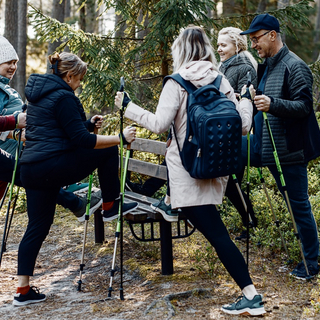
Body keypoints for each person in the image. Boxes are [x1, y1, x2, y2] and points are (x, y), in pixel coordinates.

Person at [115, 25, 266, 316]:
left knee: (218, 235)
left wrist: (128, 106)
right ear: (207, 49)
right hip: (215, 168)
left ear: (181, 51)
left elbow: (159, 125)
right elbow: (244, 125)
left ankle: (251, 295)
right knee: (214, 229)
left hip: (187, 172)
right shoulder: (220, 80)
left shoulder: (176, 83)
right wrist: (246, 100)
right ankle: (171, 205)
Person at [12, 52, 138, 306]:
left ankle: (22, 291)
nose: (80, 83)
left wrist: (88, 124)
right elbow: (81, 141)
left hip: (32, 170)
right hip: (51, 166)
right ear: (69, 76)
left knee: (37, 226)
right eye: (79, 79)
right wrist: (120, 138)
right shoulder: (64, 97)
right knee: (109, 149)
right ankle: (111, 205)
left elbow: (63, 130)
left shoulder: (39, 95)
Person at [237, 13, 320, 280]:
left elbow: (305, 107)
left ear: (273, 35)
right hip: (263, 146)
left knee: (298, 207)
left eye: (256, 39)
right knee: (226, 152)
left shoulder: (295, 66)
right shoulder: (269, 65)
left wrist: (273, 104)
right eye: (251, 40)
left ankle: (311, 263)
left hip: (289, 152)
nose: (253, 45)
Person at [0, 35, 100, 222]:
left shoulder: (8, 89)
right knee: (33, 177)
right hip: (12, 151)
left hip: (23, 150)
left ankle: (72, 193)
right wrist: (14, 130)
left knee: (35, 177)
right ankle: (73, 198)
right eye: (8, 62)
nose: (13, 67)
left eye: (15, 62)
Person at [217, 27, 258, 241]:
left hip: (237, 134)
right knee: (229, 183)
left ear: (237, 45)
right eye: (218, 45)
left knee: (231, 182)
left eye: (223, 45)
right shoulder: (223, 66)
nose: (219, 49)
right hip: (223, 133)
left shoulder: (244, 66)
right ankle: (249, 221)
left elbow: (247, 98)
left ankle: (250, 222)